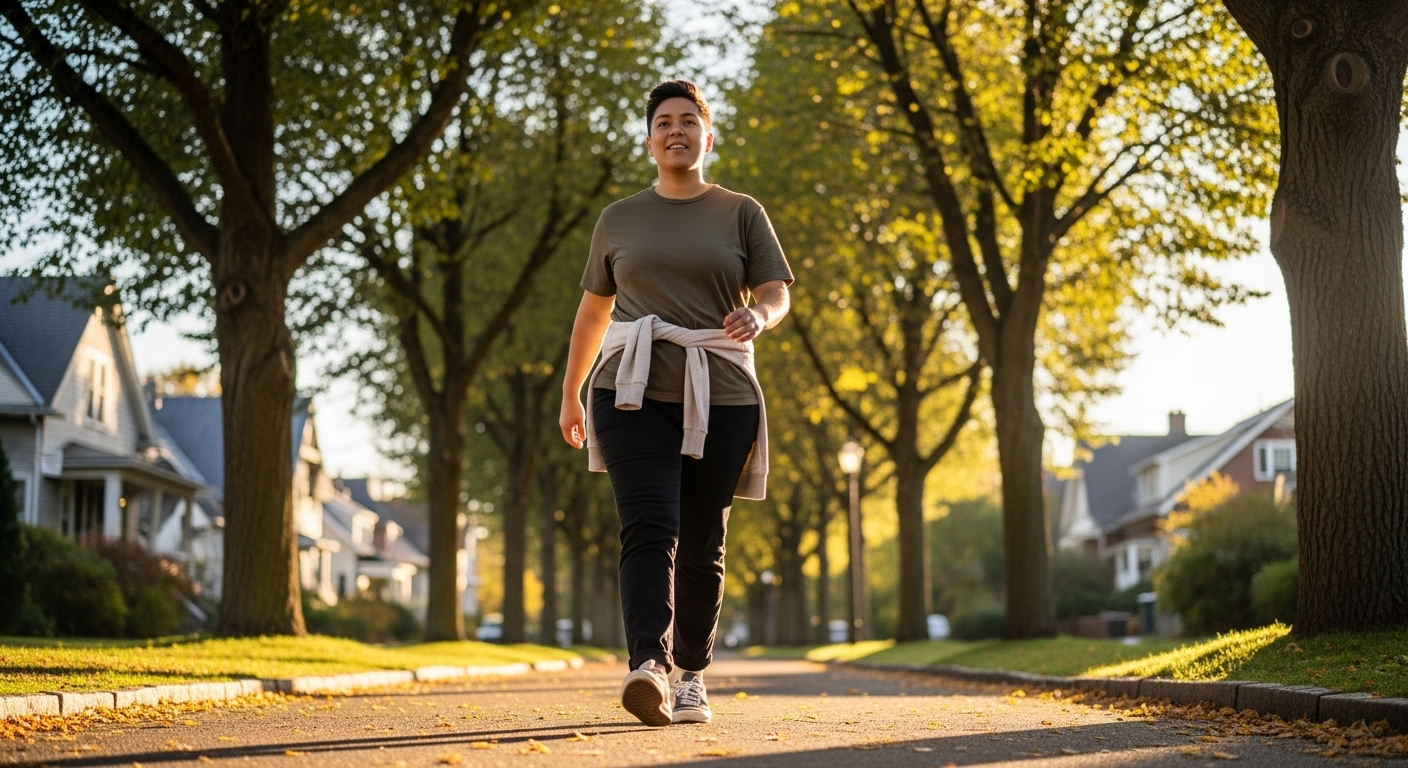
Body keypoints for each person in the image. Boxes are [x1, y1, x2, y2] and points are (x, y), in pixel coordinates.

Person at [558, 80, 793, 727]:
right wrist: (571, 392)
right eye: (664, 122)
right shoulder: (618, 218)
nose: (676, 130)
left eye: (689, 121)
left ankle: (691, 673)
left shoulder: (741, 211)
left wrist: (760, 316)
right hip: (628, 390)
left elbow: (776, 290)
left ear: (707, 137)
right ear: (648, 140)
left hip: (721, 389)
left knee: (701, 541)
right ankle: (647, 667)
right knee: (648, 528)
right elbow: (592, 311)